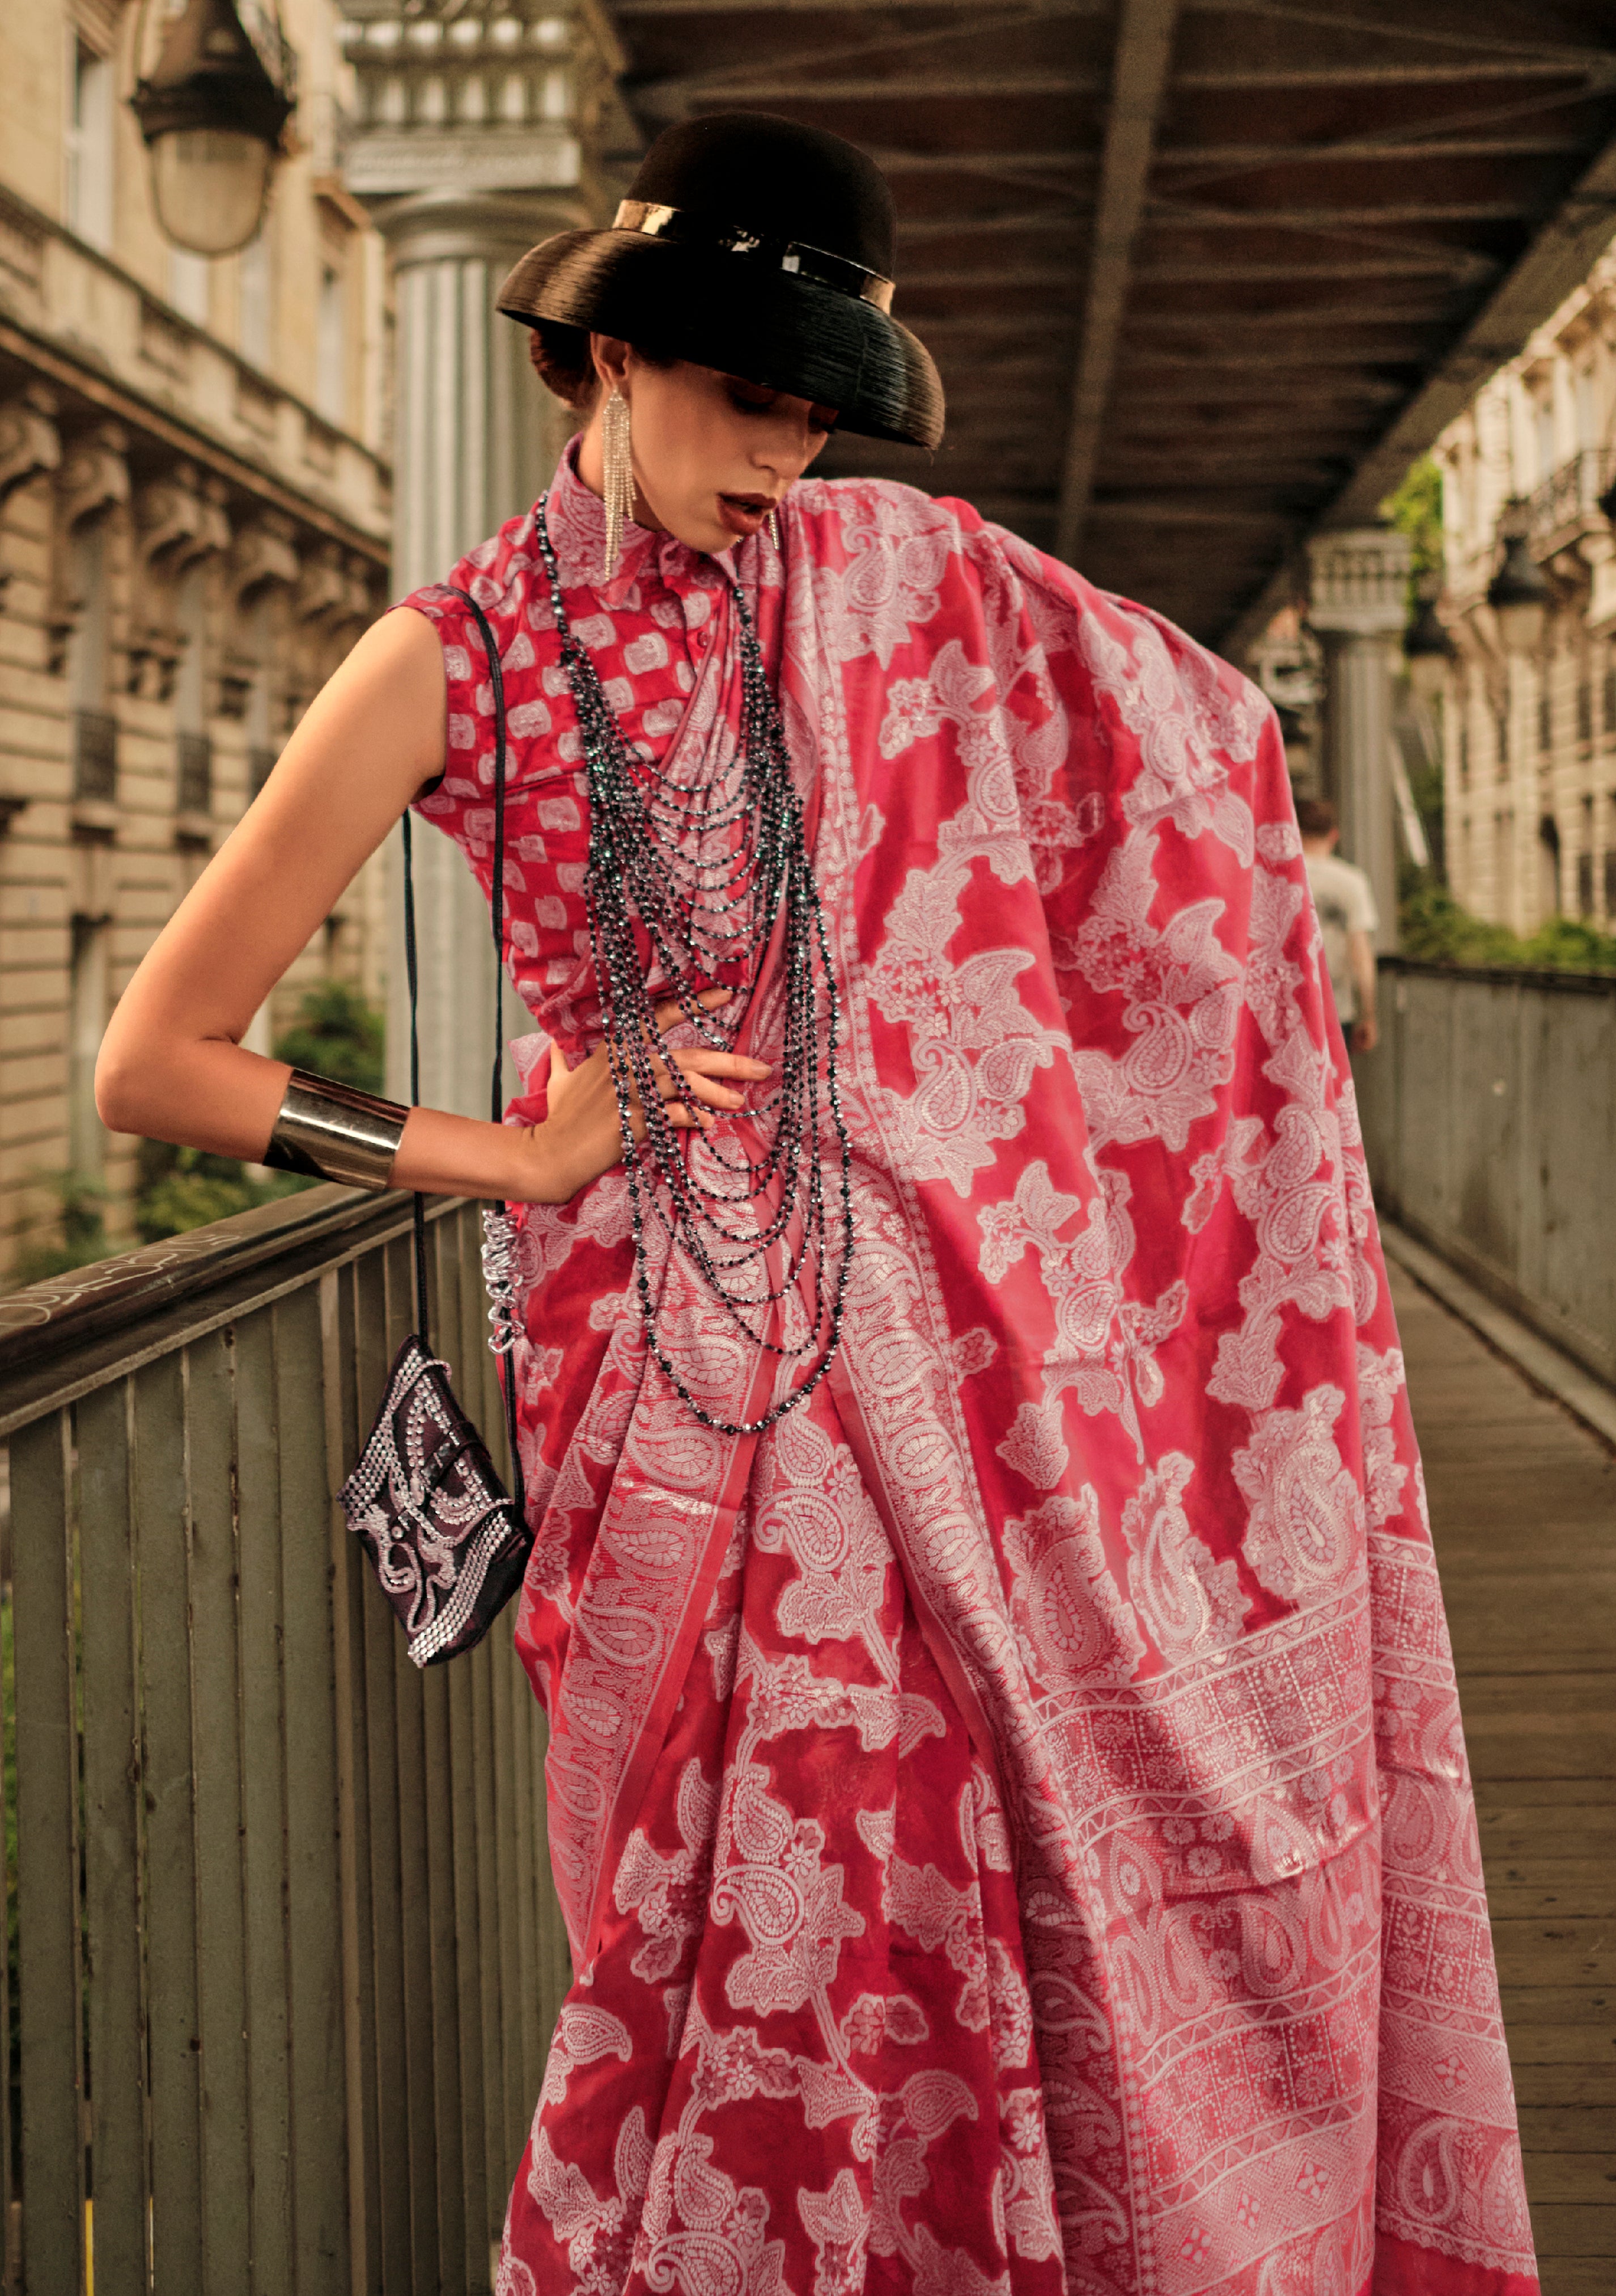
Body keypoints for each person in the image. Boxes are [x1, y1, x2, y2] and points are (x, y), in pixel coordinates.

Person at [97, 112, 1536, 2296]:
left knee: (933, 1839)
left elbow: (1214, 754)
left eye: (819, 418)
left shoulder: (884, 582)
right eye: (749, 403)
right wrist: (512, 1152)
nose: (785, 465)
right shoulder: (446, 657)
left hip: (926, 1340)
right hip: (658, 1356)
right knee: (736, 1898)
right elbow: (157, 1055)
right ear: (608, 361)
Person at [1297, 796, 1380, 1054]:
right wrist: (1368, 1014)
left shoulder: (1275, 875)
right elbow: (1361, 954)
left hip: (1283, 1007)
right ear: (1334, 835)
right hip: (1335, 1007)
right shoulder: (1352, 882)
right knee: (1330, 1090)